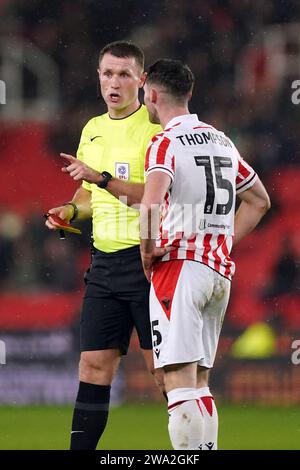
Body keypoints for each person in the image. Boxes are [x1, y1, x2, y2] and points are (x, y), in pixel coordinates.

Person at [140, 59, 271, 450]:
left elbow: (149, 206)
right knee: (199, 383)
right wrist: (221, 241)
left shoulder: (164, 142)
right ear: (190, 94)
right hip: (218, 274)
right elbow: (260, 201)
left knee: (177, 383)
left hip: (179, 268)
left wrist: (147, 250)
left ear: (152, 94)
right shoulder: (221, 141)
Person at [45, 41, 165, 450]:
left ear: (142, 80)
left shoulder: (156, 132)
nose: (114, 82)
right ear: (98, 77)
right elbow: (87, 196)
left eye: (124, 74)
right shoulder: (92, 128)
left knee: (165, 372)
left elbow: (156, 197)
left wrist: (100, 180)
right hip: (104, 266)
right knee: (93, 366)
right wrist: (69, 211)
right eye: (107, 74)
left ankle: (194, 447)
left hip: (151, 264)